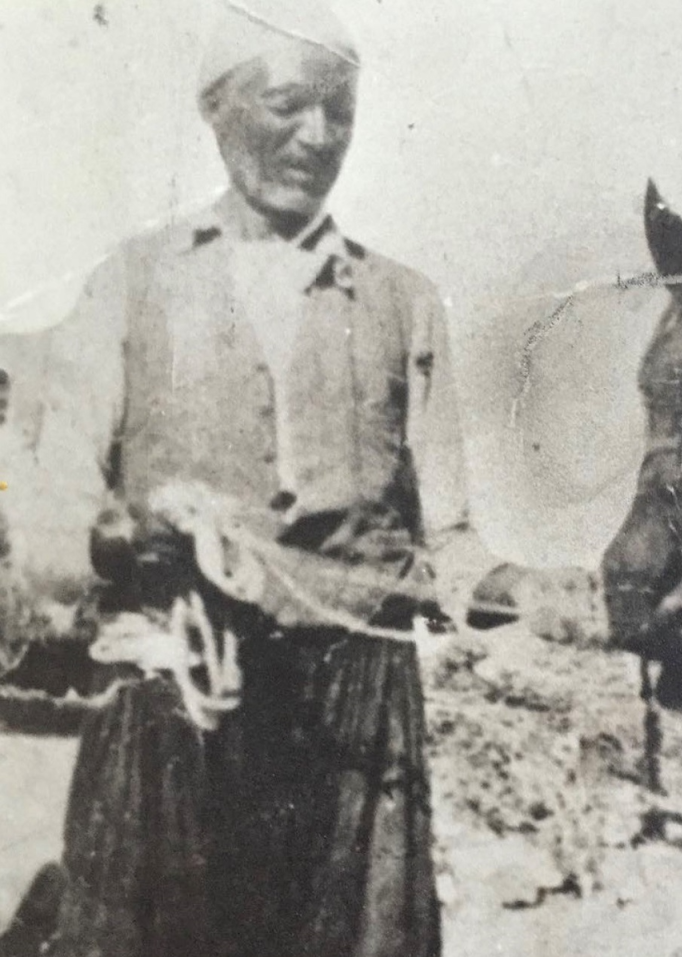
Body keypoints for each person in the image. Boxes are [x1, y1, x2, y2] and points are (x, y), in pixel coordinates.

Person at [0, 2, 498, 954]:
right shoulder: (131, 284)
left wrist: (538, 594)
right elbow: (56, 512)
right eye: (288, 106)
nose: (319, 136)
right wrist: (131, 540)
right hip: (172, 715)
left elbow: (455, 539)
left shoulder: (404, 303)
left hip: (358, 725)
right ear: (216, 108)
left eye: (340, 111)